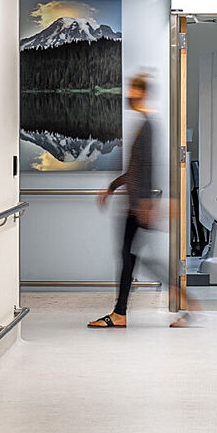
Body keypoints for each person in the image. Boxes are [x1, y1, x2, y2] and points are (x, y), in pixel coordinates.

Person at [89, 74, 157, 329]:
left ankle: (184, 300)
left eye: (133, 90)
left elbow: (145, 168)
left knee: (136, 258)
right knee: (129, 256)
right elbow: (133, 170)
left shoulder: (148, 126)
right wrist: (111, 188)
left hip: (138, 206)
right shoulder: (142, 125)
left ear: (142, 93)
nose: (129, 94)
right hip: (136, 204)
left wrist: (142, 204)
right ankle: (120, 312)